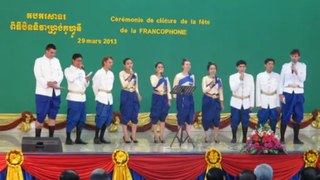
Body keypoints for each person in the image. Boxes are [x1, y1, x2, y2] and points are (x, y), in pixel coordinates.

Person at [34, 43, 63, 137]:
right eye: (51, 52)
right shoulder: (39, 61)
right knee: (41, 116)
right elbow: (38, 75)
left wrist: (56, 82)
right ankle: (37, 138)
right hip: (43, 93)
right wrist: (47, 83)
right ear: (46, 51)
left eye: (54, 53)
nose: (53, 55)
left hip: (55, 93)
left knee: (53, 115)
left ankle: (51, 139)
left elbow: (60, 74)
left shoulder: (57, 61)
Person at [279, 49, 306, 144]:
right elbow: (281, 80)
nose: (295, 57)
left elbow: (303, 78)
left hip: (298, 92)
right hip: (288, 92)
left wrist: (296, 71)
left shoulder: (303, 66)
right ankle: (282, 138)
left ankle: (296, 138)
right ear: (290, 56)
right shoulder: (285, 66)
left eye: (296, 56)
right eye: (293, 56)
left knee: (298, 114)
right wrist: (280, 93)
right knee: (286, 114)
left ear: (299, 57)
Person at [64, 53, 90, 145]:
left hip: (82, 97)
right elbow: (70, 79)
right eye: (78, 61)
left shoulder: (82, 71)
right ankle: (68, 138)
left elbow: (85, 85)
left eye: (81, 61)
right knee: (72, 118)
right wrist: (78, 70)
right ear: (73, 60)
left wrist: (87, 80)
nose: (80, 62)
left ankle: (78, 138)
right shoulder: (68, 70)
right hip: (73, 97)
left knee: (82, 119)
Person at [229, 60, 254, 143]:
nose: (242, 68)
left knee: (245, 120)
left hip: (246, 102)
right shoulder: (232, 77)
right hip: (236, 102)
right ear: (237, 67)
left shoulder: (250, 77)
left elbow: (252, 91)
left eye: (243, 66)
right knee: (234, 120)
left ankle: (244, 137)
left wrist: (251, 103)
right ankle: (234, 137)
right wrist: (239, 80)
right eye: (240, 66)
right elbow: (233, 89)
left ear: (245, 67)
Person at [92, 56, 114, 144]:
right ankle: (96, 137)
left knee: (108, 118)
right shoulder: (99, 73)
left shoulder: (111, 74)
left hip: (109, 98)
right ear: (104, 62)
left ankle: (102, 137)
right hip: (101, 97)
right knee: (100, 117)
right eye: (109, 62)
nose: (111, 64)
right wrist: (98, 96)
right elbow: (95, 86)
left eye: (112, 62)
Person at [119, 58, 142, 143]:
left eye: (131, 63)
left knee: (134, 115)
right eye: (128, 63)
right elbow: (124, 85)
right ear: (124, 65)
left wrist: (138, 94)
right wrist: (130, 76)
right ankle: (125, 136)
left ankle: (133, 135)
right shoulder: (121, 73)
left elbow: (136, 86)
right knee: (125, 114)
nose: (130, 65)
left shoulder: (135, 74)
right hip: (126, 94)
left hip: (133, 94)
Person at [173, 58, 195, 141]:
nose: (188, 66)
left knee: (190, 116)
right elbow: (175, 89)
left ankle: (189, 136)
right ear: (182, 66)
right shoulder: (178, 76)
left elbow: (192, 87)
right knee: (181, 117)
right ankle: (179, 136)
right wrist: (177, 99)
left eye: (189, 64)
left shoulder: (192, 76)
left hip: (190, 98)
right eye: (186, 64)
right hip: (181, 98)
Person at [201, 62, 224, 143]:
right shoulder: (205, 78)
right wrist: (212, 84)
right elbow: (204, 90)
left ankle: (216, 137)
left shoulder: (219, 79)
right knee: (206, 119)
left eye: (214, 69)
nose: (213, 70)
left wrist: (221, 102)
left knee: (216, 119)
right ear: (208, 70)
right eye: (211, 69)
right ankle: (206, 137)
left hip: (216, 101)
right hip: (207, 99)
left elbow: (221, 91)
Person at [256, 58, 280, 133]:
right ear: (265, 65)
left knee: (274, 120)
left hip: (274, 101)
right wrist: (258, 103)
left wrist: (278, 104)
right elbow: (257, 90)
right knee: (261, 120)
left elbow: (279, 90)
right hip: (263, 101)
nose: (271, 66)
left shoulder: (277, 76)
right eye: (269, 64)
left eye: (272, 64)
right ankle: (260, 138)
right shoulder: (260, 75)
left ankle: (272, 138)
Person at [149, 62, 171, 143]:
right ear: (156, 68)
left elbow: (168, 89)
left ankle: (161, 136)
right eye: (159, 67)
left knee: (163, 117)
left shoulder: (166, 78)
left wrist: (169, 99)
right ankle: (155, 136)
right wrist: (160, 77)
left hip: (164, 98)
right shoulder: (153, 77)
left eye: (162, 67)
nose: (160, 68)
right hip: (156, 97)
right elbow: (154, 85)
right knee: (155, 116)